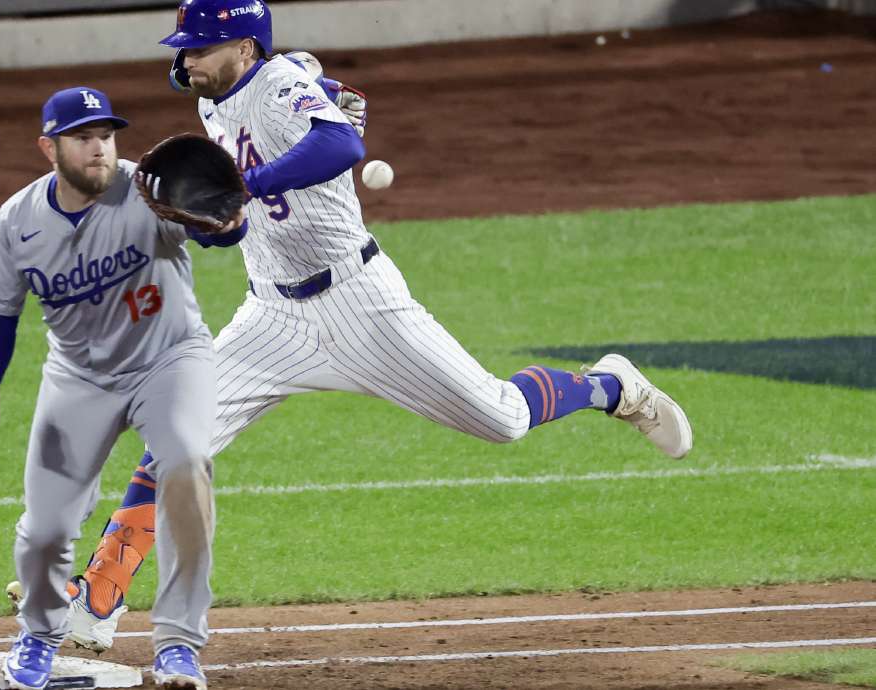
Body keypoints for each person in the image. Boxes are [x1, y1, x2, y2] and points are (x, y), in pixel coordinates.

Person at [60, 0, 694, 671]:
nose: (184, 62)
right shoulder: (213, 103)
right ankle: (100, 594)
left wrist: (252, 179)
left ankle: (611, 385)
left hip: (362, 305)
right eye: (182, 50)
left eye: (198, 49)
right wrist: (218, 221)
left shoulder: (278, 88)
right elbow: (242, 225)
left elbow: (342, 145)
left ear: (246, 50)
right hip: (272, 318)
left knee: (502, 419)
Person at [0, 85, 245, 690]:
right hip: (79, 378)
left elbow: (218, 233)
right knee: (46, 525)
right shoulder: (17, 222)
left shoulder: (148, 188)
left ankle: (177, 646)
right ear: (49, 147)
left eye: (106, 136)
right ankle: (38, 635)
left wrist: (227, 224)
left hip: (170, 361)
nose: (98, 149)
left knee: (187, 467)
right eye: (82, 137)